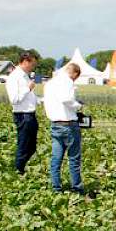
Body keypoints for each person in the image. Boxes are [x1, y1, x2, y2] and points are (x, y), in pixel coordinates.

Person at [44, 63, 84, 194]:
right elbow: (66, 99)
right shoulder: (67, 81)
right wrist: (78, 106)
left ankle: (56, 187)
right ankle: (76, 187)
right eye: (75, 78)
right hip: (68, 124)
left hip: (55, 124)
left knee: (56, 158)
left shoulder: (50, 83)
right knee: (74, 158)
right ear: (74, 74)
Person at [6, 51, 40, 174]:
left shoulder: (25, 76)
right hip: (23, 115)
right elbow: (15, 100)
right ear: (25, 62)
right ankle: (18, 170)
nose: (33, 67)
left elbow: (28, 97)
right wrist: (28, 88)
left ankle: (20, 167)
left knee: (31, 147)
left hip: (30, 115)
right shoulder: (14, 77)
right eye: (32, 64)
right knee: (24, 145)